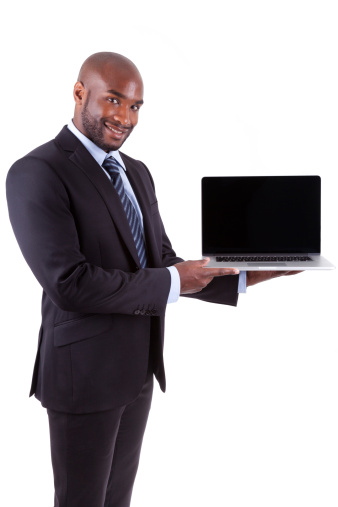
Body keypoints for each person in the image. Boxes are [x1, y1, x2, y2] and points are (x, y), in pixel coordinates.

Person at [6, 52, 299, 507]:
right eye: (114, 100)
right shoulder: (38, 172)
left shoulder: (136, 173)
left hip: (136, 369)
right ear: (80, 92)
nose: (125, 117)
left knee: (117, 499)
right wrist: (174, 278)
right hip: (82, 376)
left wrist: (256, 272)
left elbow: (161, 262)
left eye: (136, 106)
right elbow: (69, 282)